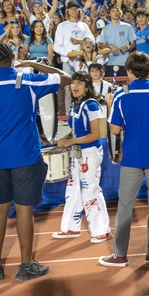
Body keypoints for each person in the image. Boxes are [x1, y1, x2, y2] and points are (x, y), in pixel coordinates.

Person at [0, 45, 70, 281]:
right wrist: (32, 64)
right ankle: (25, 266)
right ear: (13, 59)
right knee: (24, 211)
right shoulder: (29, 82)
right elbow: (66, 78)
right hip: (25, 157)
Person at [98, 51, 149, 268]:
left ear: (129, 72)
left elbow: (114, 130)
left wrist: (109, 105)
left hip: (132, 158)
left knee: (125, 205)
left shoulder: (121, 97)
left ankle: (120, 255)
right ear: (148, 71)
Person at [53, 72, 112, 242]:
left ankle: (102, 230)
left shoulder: (91, 105)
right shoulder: (74, 105)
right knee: (72, 190)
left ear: (87, 86)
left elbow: (95, 134)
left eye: (79, 83)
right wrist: (65, 139)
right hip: (77, 152)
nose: (75, 86)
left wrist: (70, 142)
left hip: (90, 153)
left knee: (91, 190)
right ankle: (71, 228)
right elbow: (76, 131)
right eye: (73, 83)